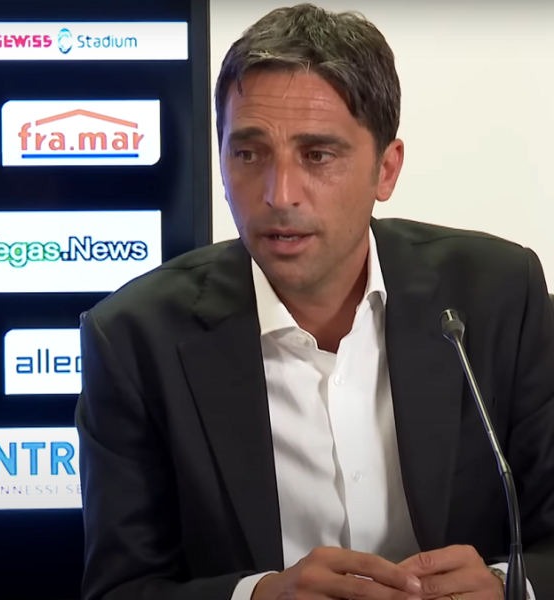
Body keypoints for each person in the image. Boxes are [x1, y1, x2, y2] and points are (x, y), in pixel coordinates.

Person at [76, 4, 554, 600]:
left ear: (386, 169)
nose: (279, 194)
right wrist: (259, 595)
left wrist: (509, 586)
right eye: (248, 154)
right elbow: (121, 587)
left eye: (317, 155)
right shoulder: (133, 338)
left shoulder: (499, 297)